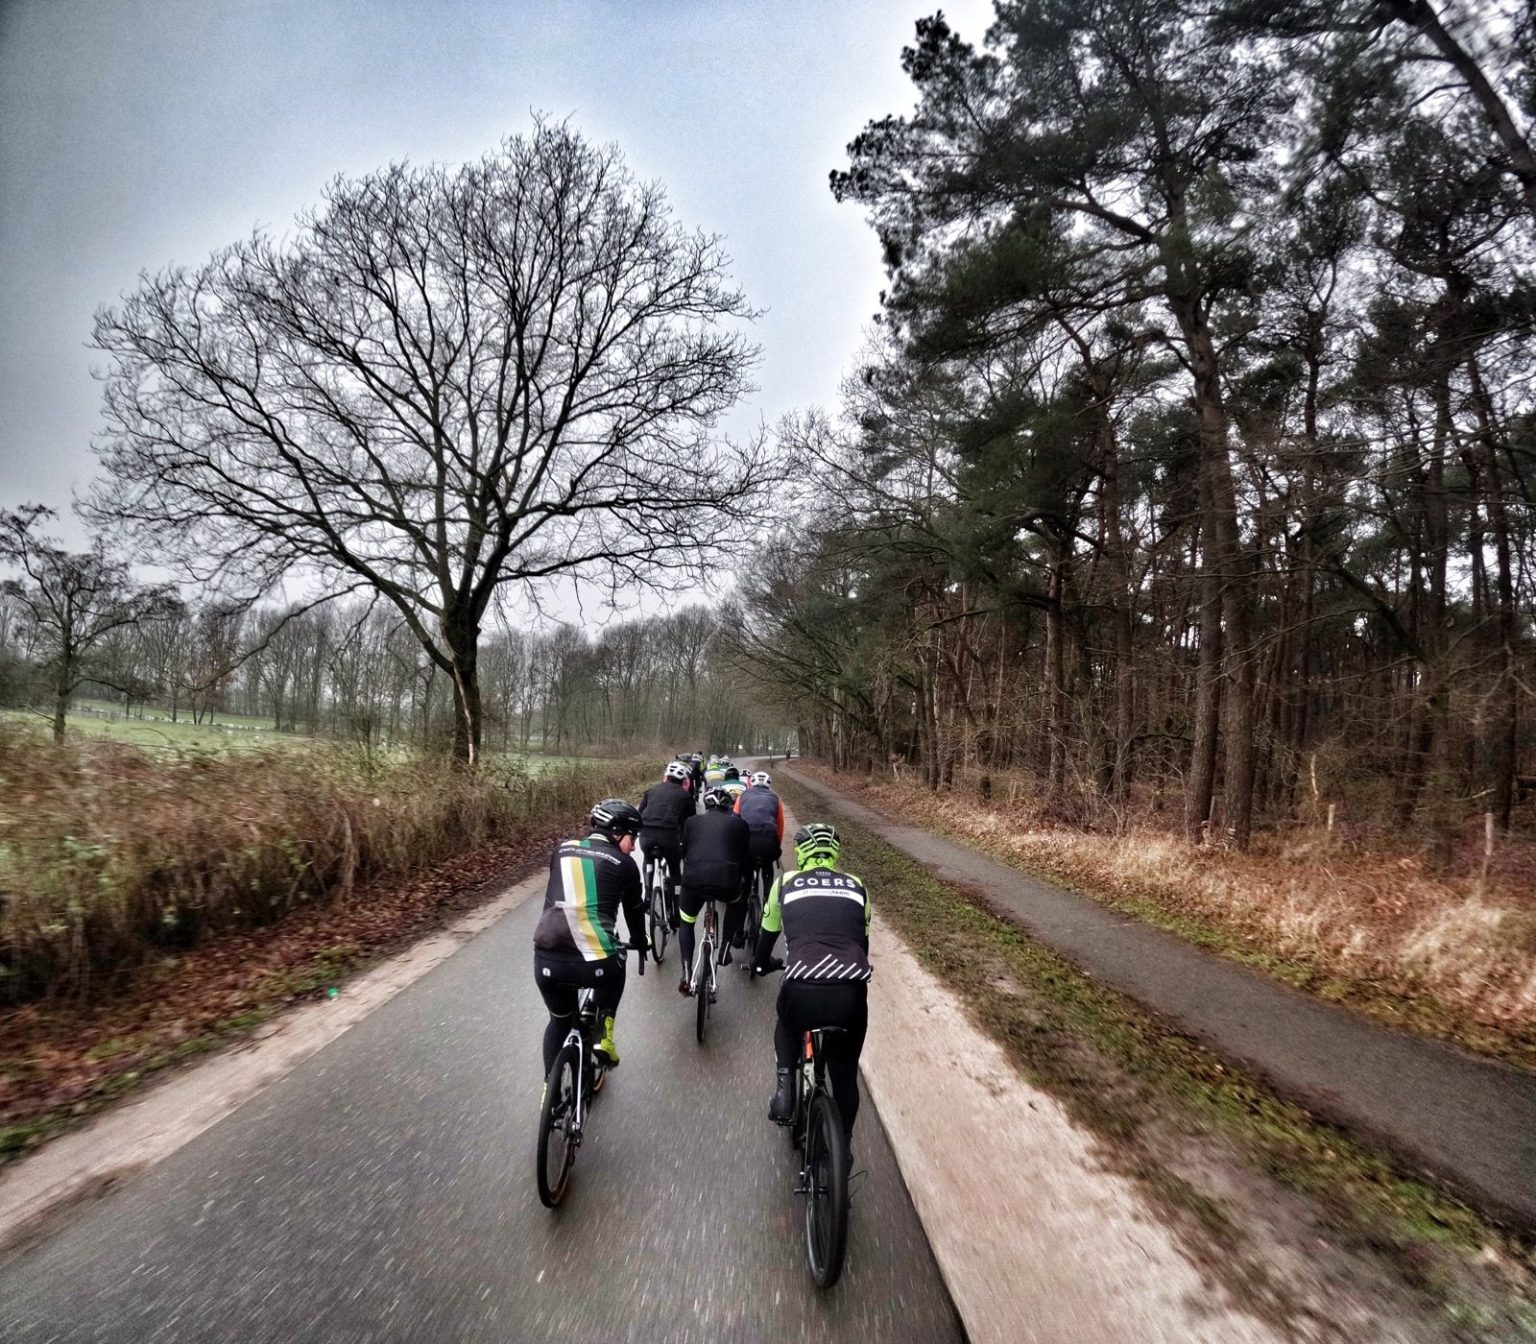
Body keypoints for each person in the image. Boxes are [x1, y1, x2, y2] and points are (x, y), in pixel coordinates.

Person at [752, 822, 871, 1147]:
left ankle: (785, 1091)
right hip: (850, 995)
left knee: (787, 1025)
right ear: (834, 853)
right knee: (845, 1074)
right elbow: (862, 944)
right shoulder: (857, 886)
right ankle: (843, 1148)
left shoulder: (785, 883)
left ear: (800, 852)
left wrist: (761, 964)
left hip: (802, 988)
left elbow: (767, 935)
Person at [532, 798, 648, 1071]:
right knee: (619, 956)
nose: (633, 847)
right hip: (596, 963)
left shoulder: (561, 850)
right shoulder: (625, 864)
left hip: (546, 959)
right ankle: (604, 1034)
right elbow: (634, 913)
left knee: (559, 1021)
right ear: (616, 833)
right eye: (632, 838)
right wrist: (640, 941)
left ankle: (549, 1089)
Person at [677, 785, 751, 993]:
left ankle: (686, 973)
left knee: (687, 923)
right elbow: (743, 857)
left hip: (694, 878)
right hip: (726, 880)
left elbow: (684, 852)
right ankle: (725, 948)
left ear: (706, 804)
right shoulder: (740, 824)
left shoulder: (691, 822)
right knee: (736, 903)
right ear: (728, 806)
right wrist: (743, 880)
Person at [638, 760, 694, 926]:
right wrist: (686, 843)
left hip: (646, 836)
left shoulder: (651, 790)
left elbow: (640, 813)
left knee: (648, 859)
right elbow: (690, 823)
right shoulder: (685, 796)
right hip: (668, 838)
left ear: (666, 776)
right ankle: (676, 907)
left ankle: (648, 895)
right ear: (684, 780)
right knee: (675, 872)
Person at [734, 770, 784, 934]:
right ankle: (768, 900)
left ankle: (738, 934)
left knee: (744, 887)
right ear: (769, 785)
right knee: (768, 868)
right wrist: (777, 848)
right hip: (768, 844)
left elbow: (735, 822)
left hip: (747, 844)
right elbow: (780, 827)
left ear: (751, 783)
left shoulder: (742, 796)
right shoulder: (776, 799)